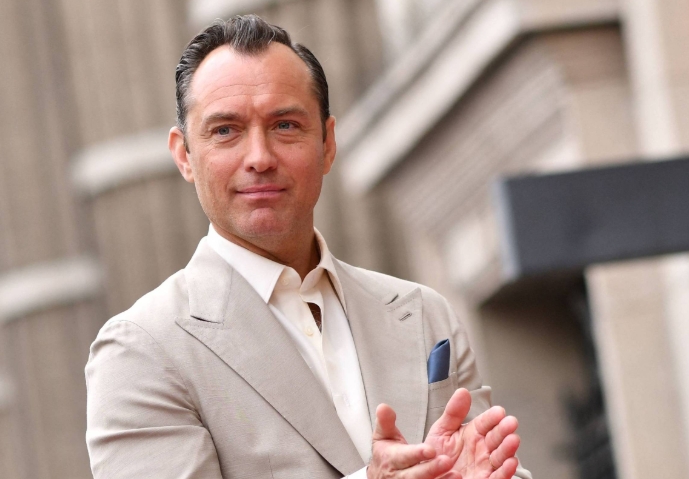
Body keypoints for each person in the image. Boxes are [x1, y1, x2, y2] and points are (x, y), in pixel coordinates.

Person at [85, 14, 532, 479]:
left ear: (327, 143)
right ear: (184, 156)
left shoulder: (423, 314)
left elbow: (489, 464)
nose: (259, 157)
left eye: (285, 125)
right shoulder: (142, 352)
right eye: (225, 131)